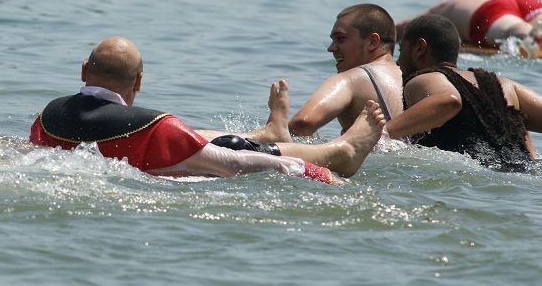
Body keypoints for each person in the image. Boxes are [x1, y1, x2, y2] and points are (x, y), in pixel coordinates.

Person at [29, 37, 387, 183]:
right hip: (171, 160)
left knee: (192, 139)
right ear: (138, 82)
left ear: (82, 72)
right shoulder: (156, 127)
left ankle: (268, 133)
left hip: (142, 159)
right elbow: (236, 166)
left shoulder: (45, 120)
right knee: (234, 148)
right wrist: (313, 173)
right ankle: (343, 152)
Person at [386, 14, 542, 172]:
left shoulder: (424, 79)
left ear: (420, 48)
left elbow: (448, 101)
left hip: (474, 181)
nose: (398, 62)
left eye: (401, 50)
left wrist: (381, 134)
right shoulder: (504, 85)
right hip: (520, 176)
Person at [242, 4, 402, 140]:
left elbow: (302, 124)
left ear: (372, 42)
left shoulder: (352, 79)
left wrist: (275, 123)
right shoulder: (407, 78)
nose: (331, 48)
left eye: (340, 39)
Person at [397, 0, 542, 46]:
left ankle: (530, 36)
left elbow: (411, 26)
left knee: (515, 29)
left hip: (491, 11)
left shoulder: (453, 2)